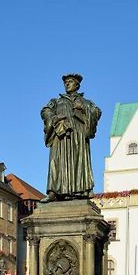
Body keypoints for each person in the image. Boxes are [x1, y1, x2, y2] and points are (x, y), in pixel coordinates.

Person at [40, 73, 101, 203]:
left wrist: (83, 108)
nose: (67, 84)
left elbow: (97, 112)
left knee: (78, 162)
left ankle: (81, 191)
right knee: (56, 161)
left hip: (78, 138)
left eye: (70, 81)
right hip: (61, 136)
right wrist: (54, 118)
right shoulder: (56, 101)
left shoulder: (86, 102)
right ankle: (53, 192)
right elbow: (45, 111)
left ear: (77, 85)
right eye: (65, 82)